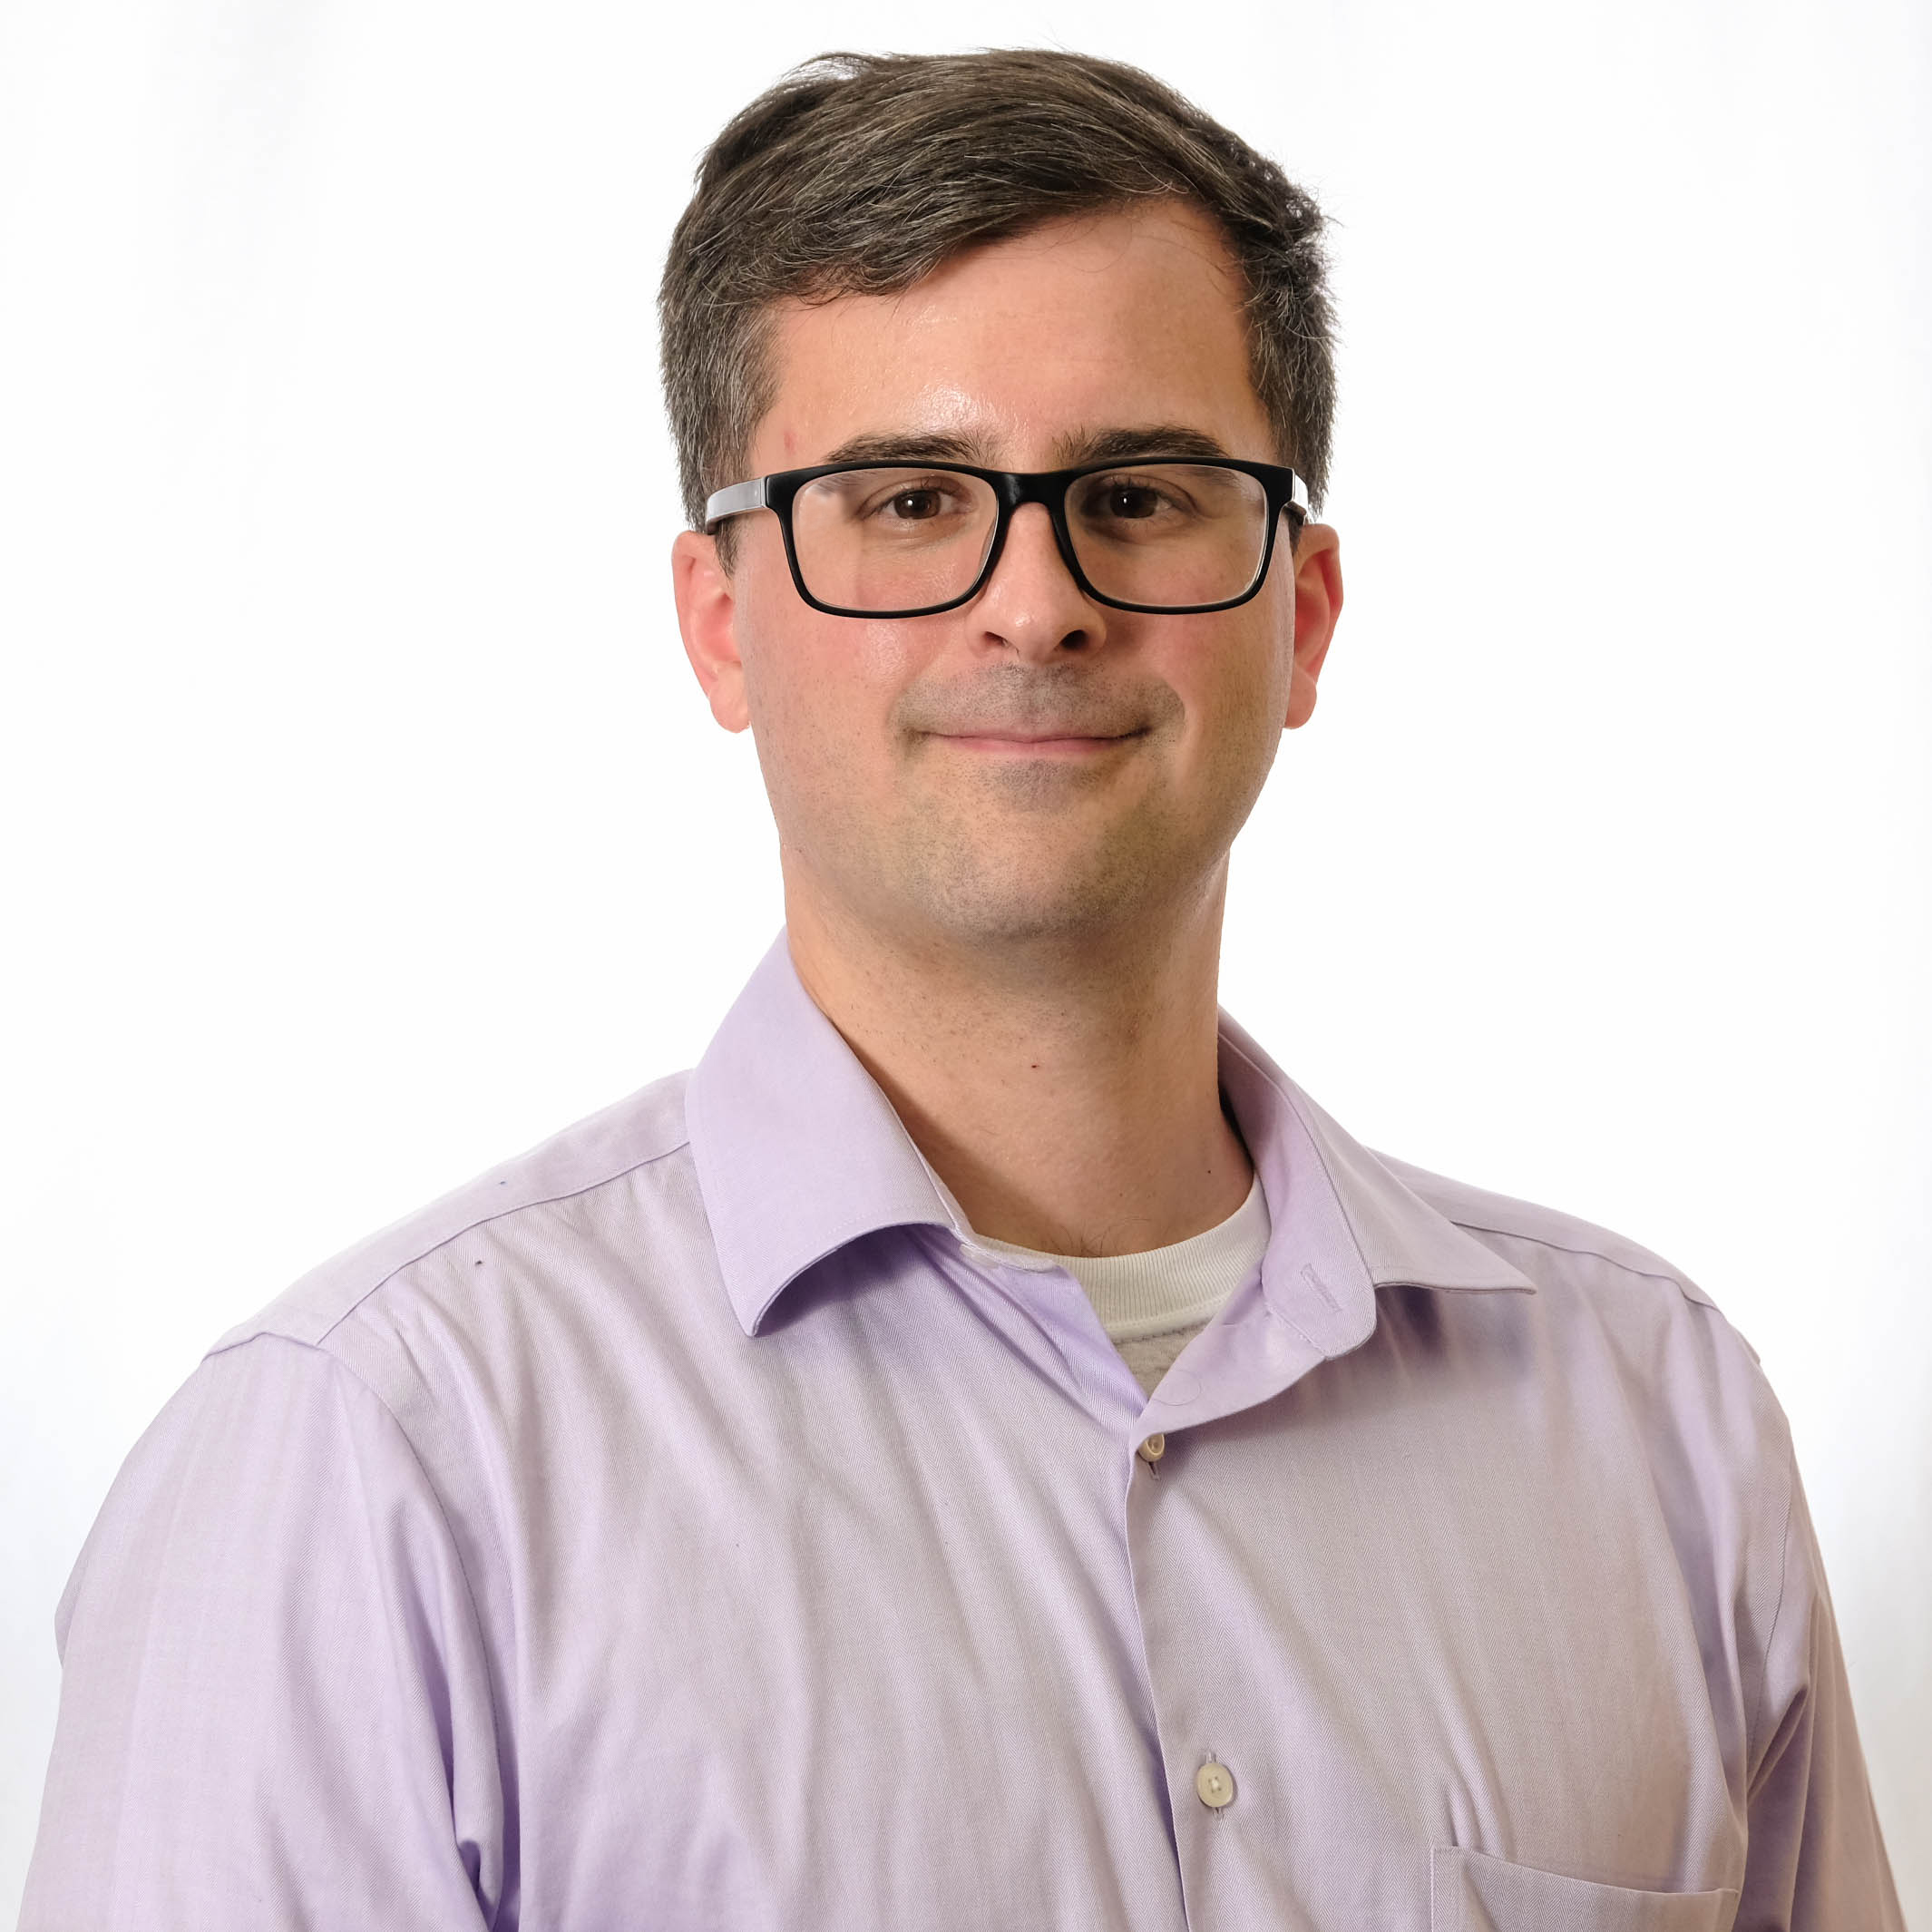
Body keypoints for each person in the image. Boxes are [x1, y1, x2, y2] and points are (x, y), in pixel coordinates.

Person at [19, 48, 1903, 1932]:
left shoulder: (1660, 1425)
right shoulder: (374, 1463)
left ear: (1302, 613)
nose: (1036, 603)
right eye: (913, 502)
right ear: (719, 621)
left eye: (1144, 494)